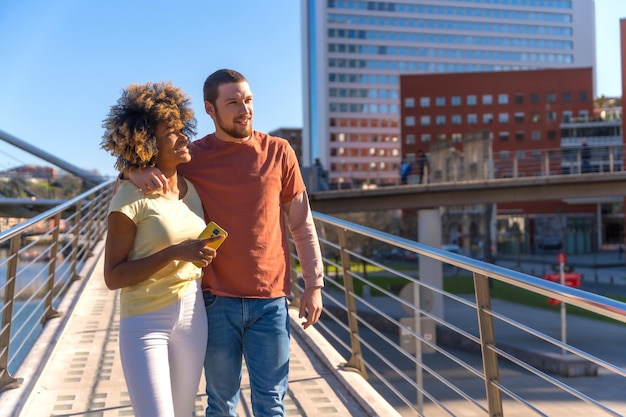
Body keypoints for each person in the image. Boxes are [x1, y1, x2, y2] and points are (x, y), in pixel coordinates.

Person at [125, 69, 324, 417]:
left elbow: (301, 224)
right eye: (232, 102)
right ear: (210, 109)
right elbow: (144, 165)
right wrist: (131, 172)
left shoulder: (279, 152)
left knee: (271, 405)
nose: (244, 109)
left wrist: (315, 284)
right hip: (216, 302)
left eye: (248, 100)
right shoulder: (193, 157)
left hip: (271, 301)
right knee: (220, 404)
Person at [101, 82, 224, 417]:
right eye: (172, 132)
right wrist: (174, 253)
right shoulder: (129, 196)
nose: (184, 137)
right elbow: (113, 276)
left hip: (193, 315)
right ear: (148, 143)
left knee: (184, 412)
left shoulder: (191, 188)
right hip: (145, 322)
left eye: (183, 128)